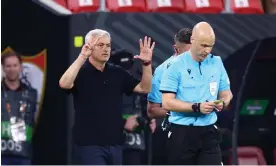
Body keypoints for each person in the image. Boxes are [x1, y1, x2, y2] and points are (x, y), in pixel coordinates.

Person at [59, 29, 155, 165]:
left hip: (115, 144)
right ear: (89, 47)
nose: (106, 49)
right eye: (100, 45)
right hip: (89, 144)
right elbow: (64, 84)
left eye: (108, 45)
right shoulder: (80, 72)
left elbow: (145, 88)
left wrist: (146, 65)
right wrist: (82, 56)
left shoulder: (117, 72)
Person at [160, 22, 233, 165]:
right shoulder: (175, 65)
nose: (207, 50)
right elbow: (167, 102)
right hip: (182, 134)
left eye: (210, 46)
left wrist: (222, 102)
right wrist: (197, 107)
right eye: (203, 45)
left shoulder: (216, 62)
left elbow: (227, 93)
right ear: (192, 40)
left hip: (209, 132)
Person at [147, 28, 192, 165]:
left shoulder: (206, 66)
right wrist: (183, 109)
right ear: (176, 49)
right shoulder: (162, 71)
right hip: (173, 135)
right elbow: (152, 110)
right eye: (187, 53)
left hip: (202, 133)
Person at [109, 48, 156, 165]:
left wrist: (151, 118)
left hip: (136, 138)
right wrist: (122, 123)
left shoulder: (138, 80)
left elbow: (147, 101)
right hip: (111, 140)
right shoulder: (105, 81)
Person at [1, 51, 38, 165]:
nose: (12, 69)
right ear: (2, 68)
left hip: (23, 154)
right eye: (8, 66)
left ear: (21, 67)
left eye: (15, 65)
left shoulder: (31, 93)